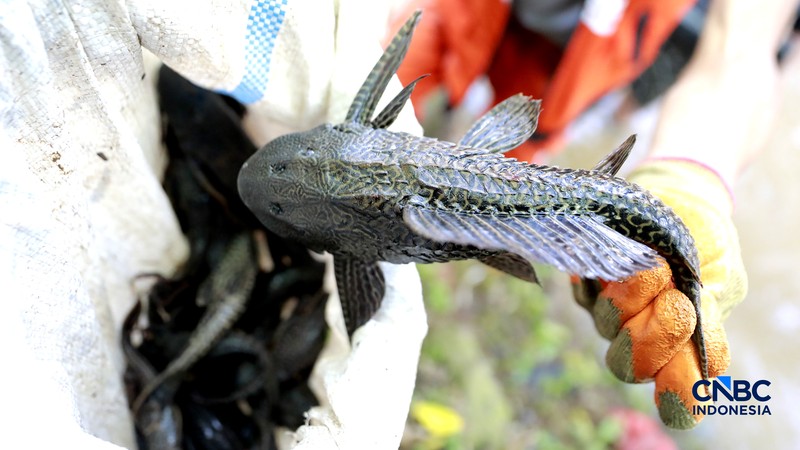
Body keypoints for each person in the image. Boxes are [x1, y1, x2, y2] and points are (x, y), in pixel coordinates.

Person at [389, 0, 799, 429]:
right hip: (476, 11)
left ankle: (459, 233)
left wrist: (691, 173)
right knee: (410, 74)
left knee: (510, 164)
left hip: (585, 53)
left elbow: (741, 50)